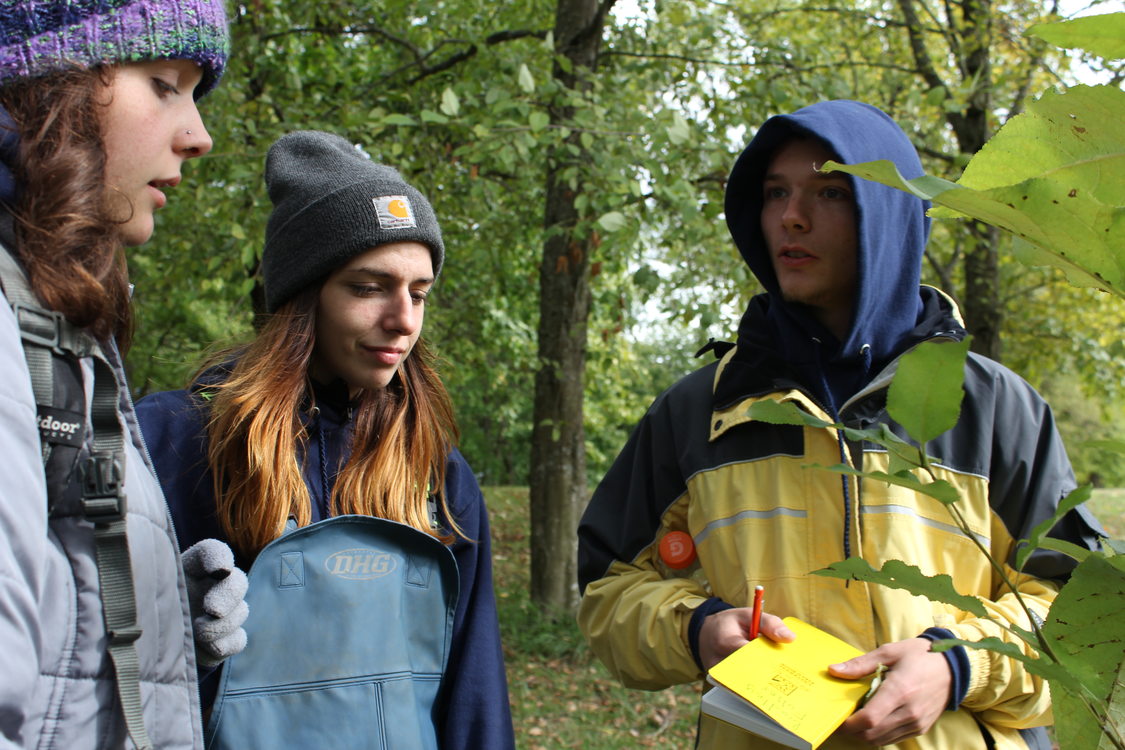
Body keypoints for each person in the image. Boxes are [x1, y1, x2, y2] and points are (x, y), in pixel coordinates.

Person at [576, 99, 1104, 750]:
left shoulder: (996, 409)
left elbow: (1083, 617)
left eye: (828, 191)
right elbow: (607, 592)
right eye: (774, 192)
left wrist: (956, 665)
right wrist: (696, 628)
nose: (790, 217)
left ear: (888, 217)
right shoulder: (699, 412)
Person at [136, 129, 516, 750]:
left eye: (419, 293)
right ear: (301, 296)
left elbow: (474, 694)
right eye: (368, 288)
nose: (404, 320)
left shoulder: (436, 475)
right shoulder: (177, 442)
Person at [0, 1, 245, 748]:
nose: (198, 135)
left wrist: (159, 615)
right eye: (164, 83)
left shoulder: (52, 316)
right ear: (53, 89)